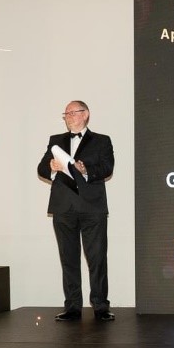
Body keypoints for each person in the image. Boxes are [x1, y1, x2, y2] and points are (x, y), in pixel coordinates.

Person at [37, 101, 115, 322]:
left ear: (86, 114)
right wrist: (50, 168)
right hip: (63, 208)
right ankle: (72, 306)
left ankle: (100, 306)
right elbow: (41, 168)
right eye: (66, 113)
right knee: (68, 259)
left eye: (74, 112)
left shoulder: (102, 140)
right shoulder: (56, 141)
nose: (69, 116)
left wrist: (85, 169)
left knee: (97, 258)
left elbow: (107, 168)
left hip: (92, 208)